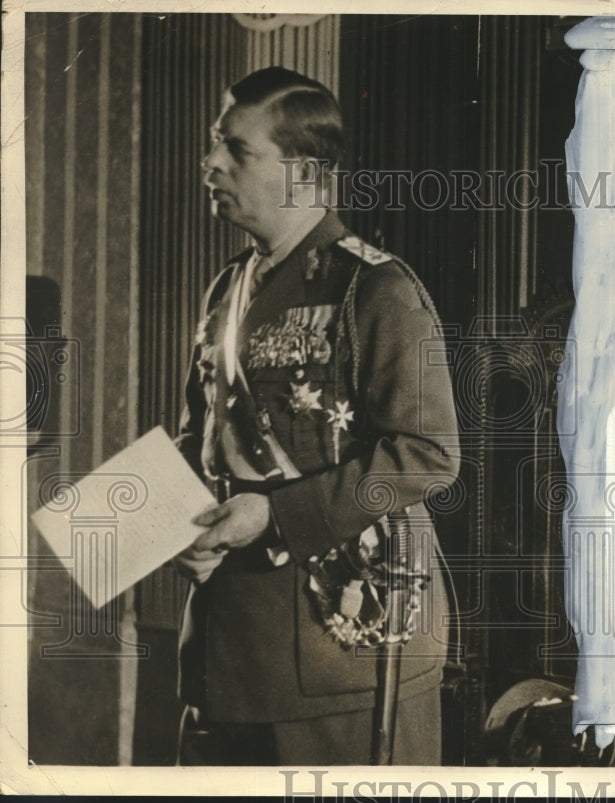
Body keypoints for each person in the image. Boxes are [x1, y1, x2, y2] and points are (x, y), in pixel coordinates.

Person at [169, 66, 460, 766]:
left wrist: (274, 516)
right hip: (226, 645)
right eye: (215, 143)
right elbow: (199, 436)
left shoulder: (376, 288)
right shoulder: (226, 288)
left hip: (340, 652)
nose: (210, 163)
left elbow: (428, 455)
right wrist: (176, 522)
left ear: (305, 175)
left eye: (236, 150)